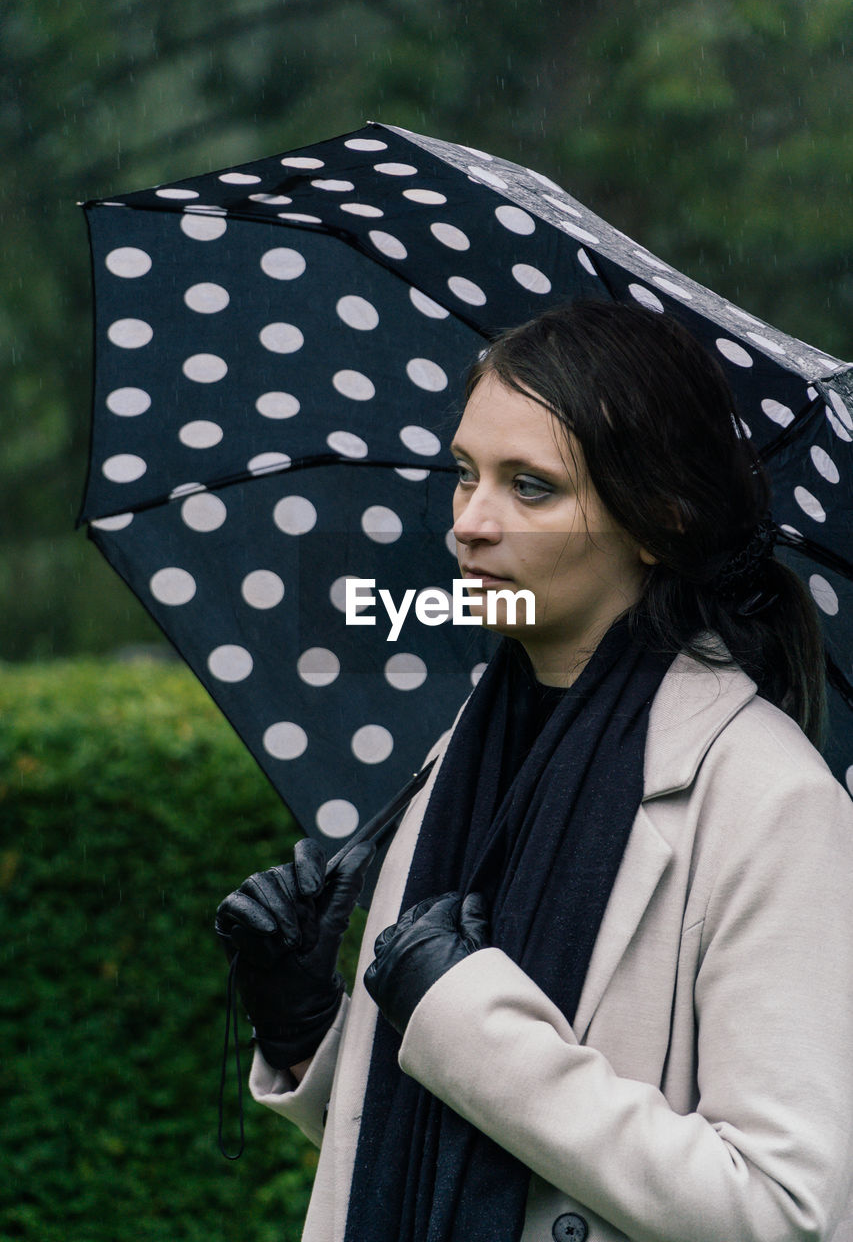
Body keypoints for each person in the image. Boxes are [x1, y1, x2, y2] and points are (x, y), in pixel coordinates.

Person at [216, 300, 853, 1242]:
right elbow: (438, 1145)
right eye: (464, 475)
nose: (470, 524)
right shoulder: (461, 754)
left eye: (531, 487)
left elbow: (781, 1210)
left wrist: (468, 1021)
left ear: (658, 522)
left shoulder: (769, 800)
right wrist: (310, 1026)